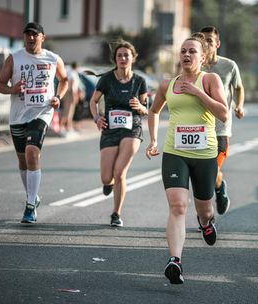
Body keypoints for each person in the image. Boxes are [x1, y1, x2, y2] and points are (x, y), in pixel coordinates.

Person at [145, 34, 228, 284]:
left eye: (192, 51)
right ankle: (175, 261)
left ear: (203, 57)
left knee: (205, 208)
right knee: (178, 206)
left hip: (204, 154)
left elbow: (223, 113)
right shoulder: (167, 85)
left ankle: (205, 222)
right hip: (175, 152)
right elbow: (153, 111)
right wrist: (153, 141)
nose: (186, 55)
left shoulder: (210, 79)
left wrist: (197, 92)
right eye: (183, 51)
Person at [0, 22, 69, 223]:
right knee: (23, 161)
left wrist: (58, 97)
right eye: (27, 35)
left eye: (34, 35)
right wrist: (13, 90)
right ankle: (33, 196)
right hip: (18, 116)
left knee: (31, 152)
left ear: (42, 38)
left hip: (42, 113)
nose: (30, 39)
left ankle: (30, 206)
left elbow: (64, 80)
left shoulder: (53, 59)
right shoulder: (15, 58)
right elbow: (0, 84)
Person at [89, 40, 148, 227]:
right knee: (107, 177)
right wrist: (97, 118)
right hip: (110, 129)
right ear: (115, 59)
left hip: (132, 128)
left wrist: (140, 107)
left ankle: (116, 213)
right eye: (119, 55)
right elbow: (93, 102)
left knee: (120, 171)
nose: (123, 58)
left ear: (133, 58)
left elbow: (147, 109)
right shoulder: (106, 79)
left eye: (126, 55)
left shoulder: (140, 81)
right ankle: (109, 183)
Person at [199, 26, 245, 215]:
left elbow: (239, 88)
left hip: (220, 129)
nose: (207, 43)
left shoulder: (229, 66)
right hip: (198, 128)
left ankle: (205, 213)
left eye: (210, 40)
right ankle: (218, 188)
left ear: (217, 44)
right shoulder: (195, 65)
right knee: (202, 175)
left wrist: (239, 105)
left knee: (210, 171)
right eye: (203, 40)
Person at [60, 61, 81, 136]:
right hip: (70, 94)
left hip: (68, 93)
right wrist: (74, 96)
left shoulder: (70, 72)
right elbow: (72, 85)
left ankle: (68, 127)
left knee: (68, 112)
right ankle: (62, 127)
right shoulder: (72, 73)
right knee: (68, 112)